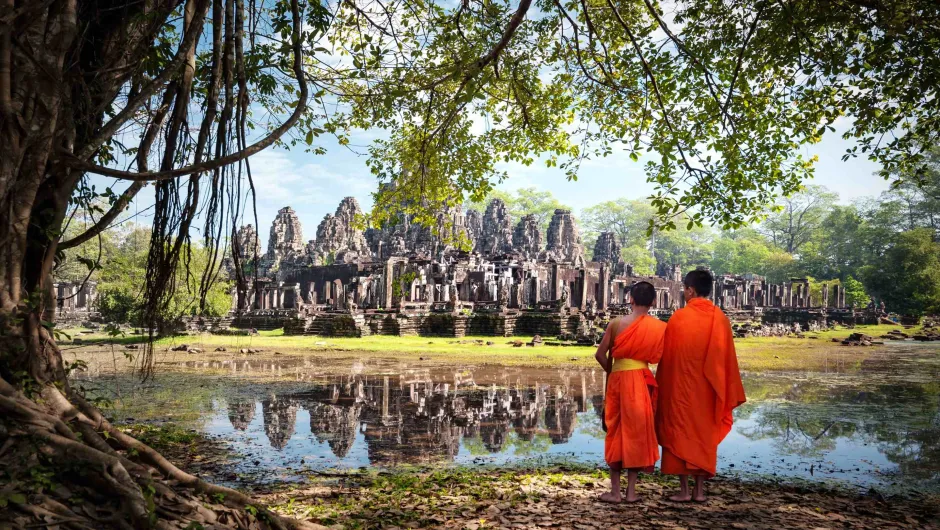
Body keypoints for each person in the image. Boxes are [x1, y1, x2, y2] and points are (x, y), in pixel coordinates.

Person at [656, 269, 746, 502]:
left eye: (685, 288)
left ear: (690, 290)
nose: (684, 292)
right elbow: (726, 360)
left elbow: (669, 359)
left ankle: (684, 491)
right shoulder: (720, 318)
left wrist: (663, 387)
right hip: (708, 391)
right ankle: (699, 491)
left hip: (681, 390)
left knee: (679, 433)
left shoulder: (679, 318)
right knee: (702, 435)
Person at [594, 281, 667, 503]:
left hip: (618, 380)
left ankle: (615, 492)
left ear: (631, 299)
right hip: (641, 380)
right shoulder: (660, 327)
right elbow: (660, 357)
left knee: (615, 429)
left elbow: (600, 355)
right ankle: (631, 493)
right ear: (654, 301)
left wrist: (615, 370)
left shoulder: (616, 324)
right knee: (637, 432)